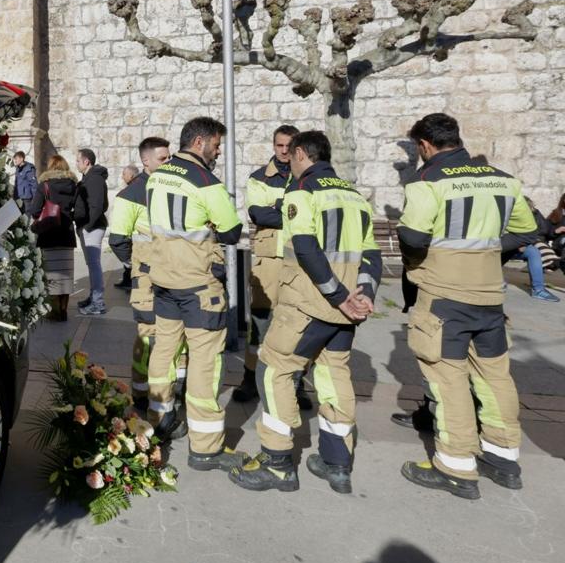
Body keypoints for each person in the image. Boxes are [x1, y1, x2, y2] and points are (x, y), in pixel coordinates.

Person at [229, 131, 381, 494]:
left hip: (310, 304)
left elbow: (306, 248)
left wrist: (339, 295)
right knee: (333, 375)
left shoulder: (302, 191)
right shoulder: (354, 196)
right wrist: (362, 295)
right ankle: (337, 463)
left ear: (300, 154)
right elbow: (371, 255)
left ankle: (278, 462)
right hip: (346, 312)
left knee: (273, 369)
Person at [396, 113, 539, 500]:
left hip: (445, 296)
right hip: (490, 295)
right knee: (495, 376)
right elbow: (529, 230)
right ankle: (503, 457)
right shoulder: (503, 180)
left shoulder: (427, 181)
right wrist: (491, 250)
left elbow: (410, 234)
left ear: (425, 146)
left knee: (448, 378)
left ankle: (456, 465)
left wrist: (419, 264)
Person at [142, 117, 247, 472]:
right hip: (199, 286)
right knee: (205, 362)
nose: (218, 153)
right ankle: (205, 447)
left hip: (164, 281)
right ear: (200, 142)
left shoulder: (157, 175)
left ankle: (160, 419)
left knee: (164, 350)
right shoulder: (206, 182)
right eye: (217, 146)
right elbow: (232, 232)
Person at [232, 125, 314, 411]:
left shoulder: (307, 176)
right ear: (274, 145)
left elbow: (309, 214)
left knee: (297, 323)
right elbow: (258, 213)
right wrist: (290, 209)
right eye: (278, 145)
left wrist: (277, 207)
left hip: (299, 261)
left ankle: (296, 381)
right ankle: (250, 377)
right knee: (260, 323)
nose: (282, 151)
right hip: (268, 263)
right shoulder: (259, 178)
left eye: (288, 146)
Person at [108, 137, 172, 406]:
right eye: (163, 159)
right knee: (147, 333)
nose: (169, 162)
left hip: (174, 274)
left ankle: (171, 386)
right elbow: (118, 240)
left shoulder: (172, 184)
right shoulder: (131, 195)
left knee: (172, 333)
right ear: (146, 161)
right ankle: (141, 390)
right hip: (146, 277)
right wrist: (134, 265)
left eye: (170, 157)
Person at [30, 155, 79, 322]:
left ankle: (55, 310)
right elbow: (79, 210)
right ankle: (64, 310)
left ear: (50, 167)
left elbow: (35, 210)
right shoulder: (73, 185)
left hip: (49, 234)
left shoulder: (44, 185)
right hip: (66, 234)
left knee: (51, 274)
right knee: (65, 275)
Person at [75, 148, 110, 316]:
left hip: (93, 228)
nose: (76, 163)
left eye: (78, 160)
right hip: (88, 227)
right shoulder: (88, 178)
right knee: (91, 264)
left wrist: (87, 227)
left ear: (86, 161)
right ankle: (93, 297)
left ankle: (98, 303)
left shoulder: (94, 179)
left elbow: (98, 206)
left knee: (94, 265)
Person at [113, 164, 141, 291]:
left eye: (124, 174)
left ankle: (130, 281)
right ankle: (126, 280)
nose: (122, 176)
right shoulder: (134, 188)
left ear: (130, 175)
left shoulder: (130, 193)